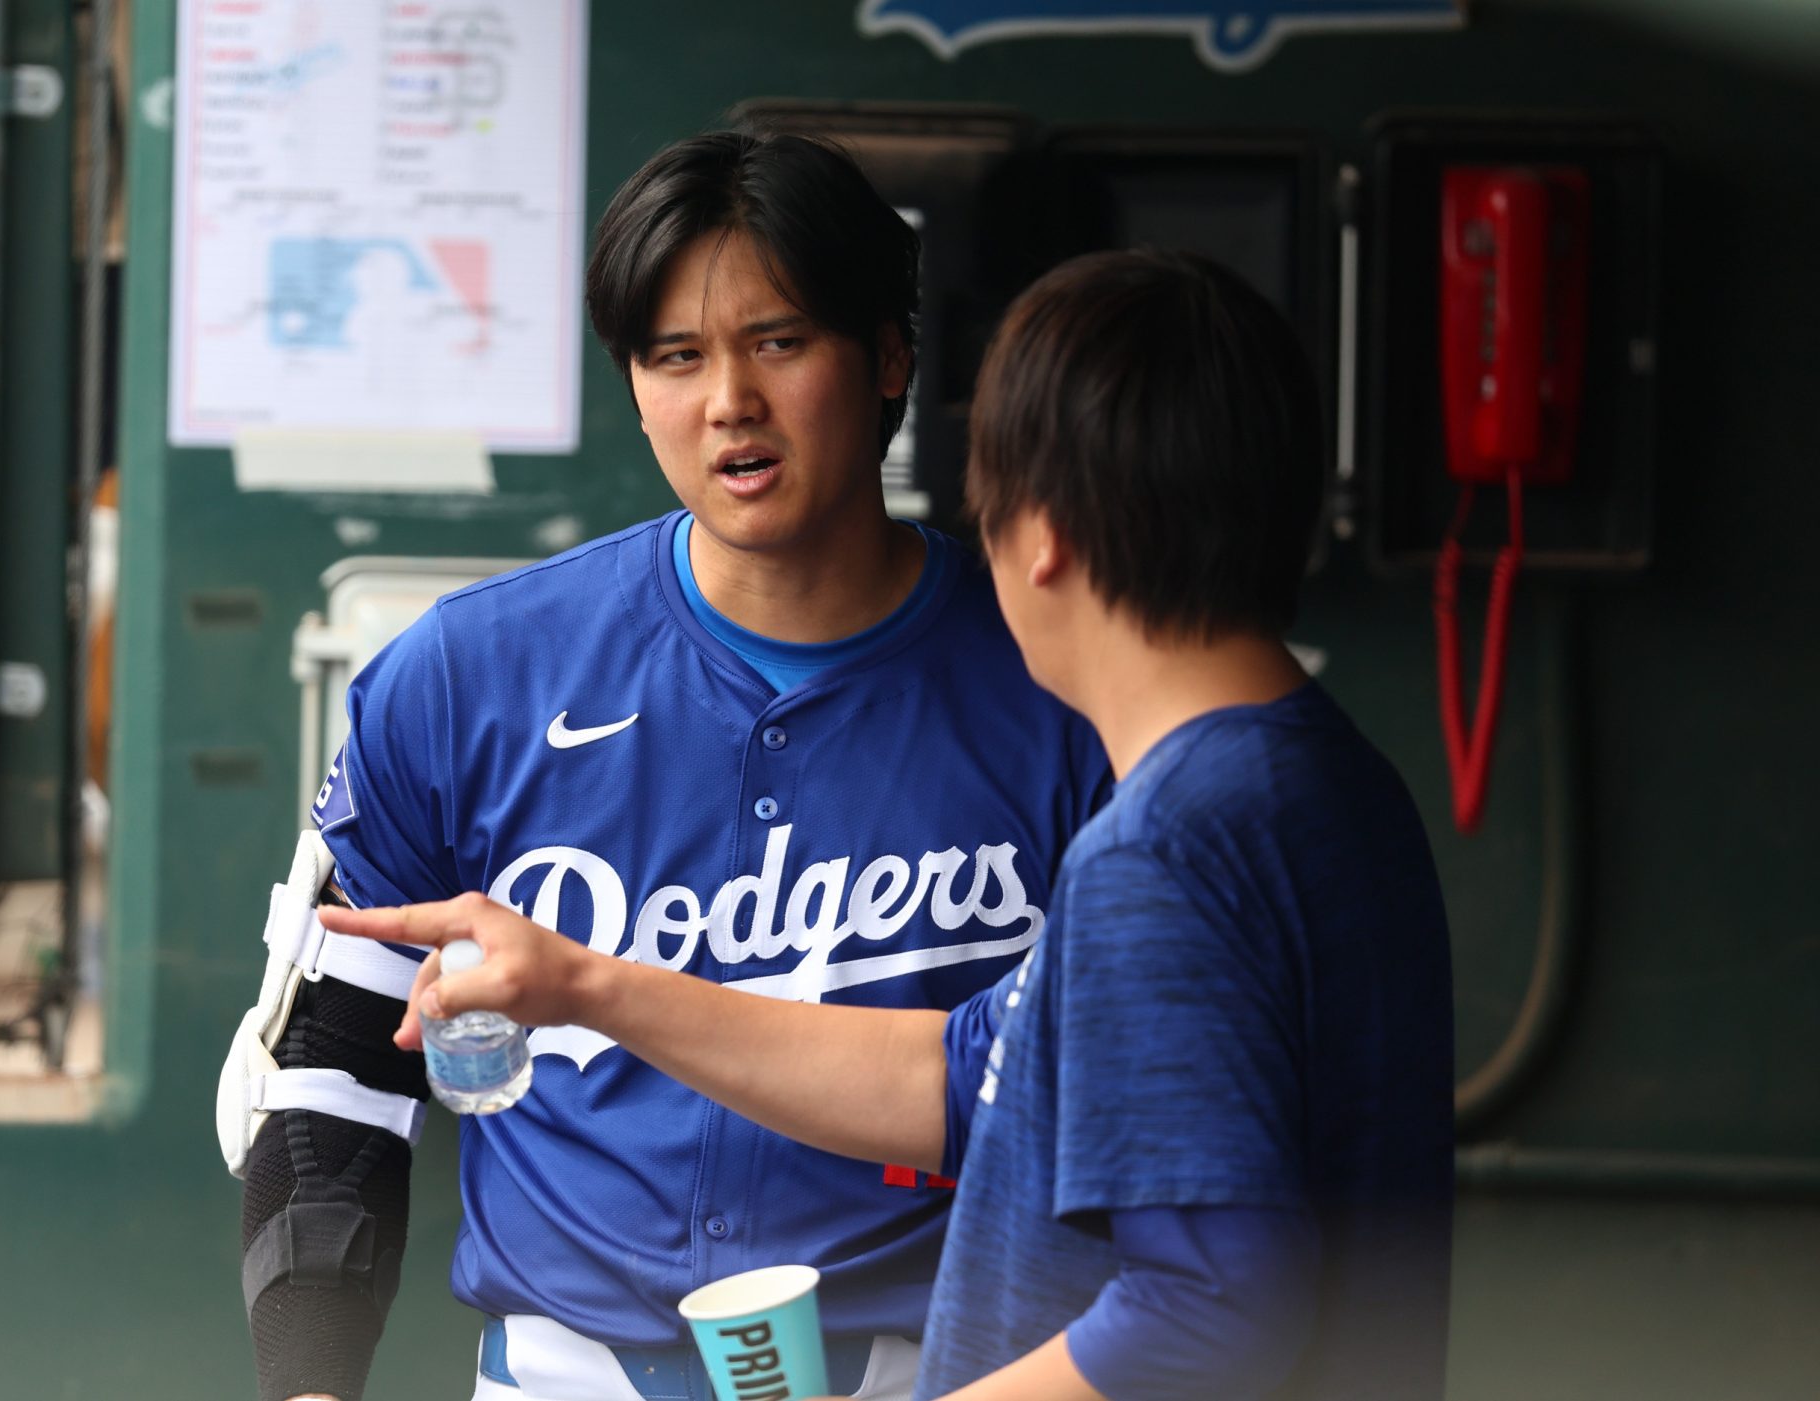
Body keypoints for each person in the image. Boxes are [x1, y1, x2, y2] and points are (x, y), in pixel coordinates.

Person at [321, 249, 1456, 1399]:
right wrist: (588, 985)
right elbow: (974, 1084)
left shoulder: (1160, 854)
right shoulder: (1330, 784)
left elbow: (1204, 1303)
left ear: (1042, 536)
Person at [226, 128, 1110, 1401]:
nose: (727, 402)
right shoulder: (467, 674)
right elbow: (328, 1074)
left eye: (780, 341)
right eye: (674, 356)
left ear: (890, 355)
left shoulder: (1059, 684)